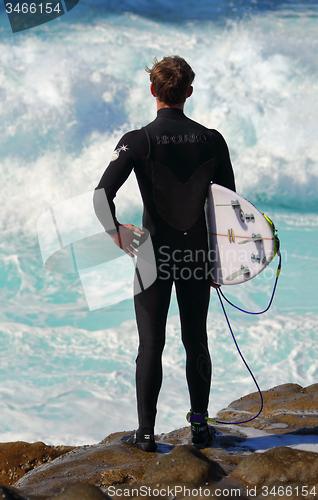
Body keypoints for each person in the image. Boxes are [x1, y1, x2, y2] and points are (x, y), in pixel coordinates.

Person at [94, 56, 235, 452]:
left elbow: (101, 195)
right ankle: (201, 427)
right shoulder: (212, 139)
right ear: (188, 92)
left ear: (153, 91)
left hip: (151, 255)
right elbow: (227, 207)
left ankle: (145, 435)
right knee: (197, 342)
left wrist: (117, 231)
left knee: (150, 346)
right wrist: (220, 261)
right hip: (196, 257)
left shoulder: (138, 139)